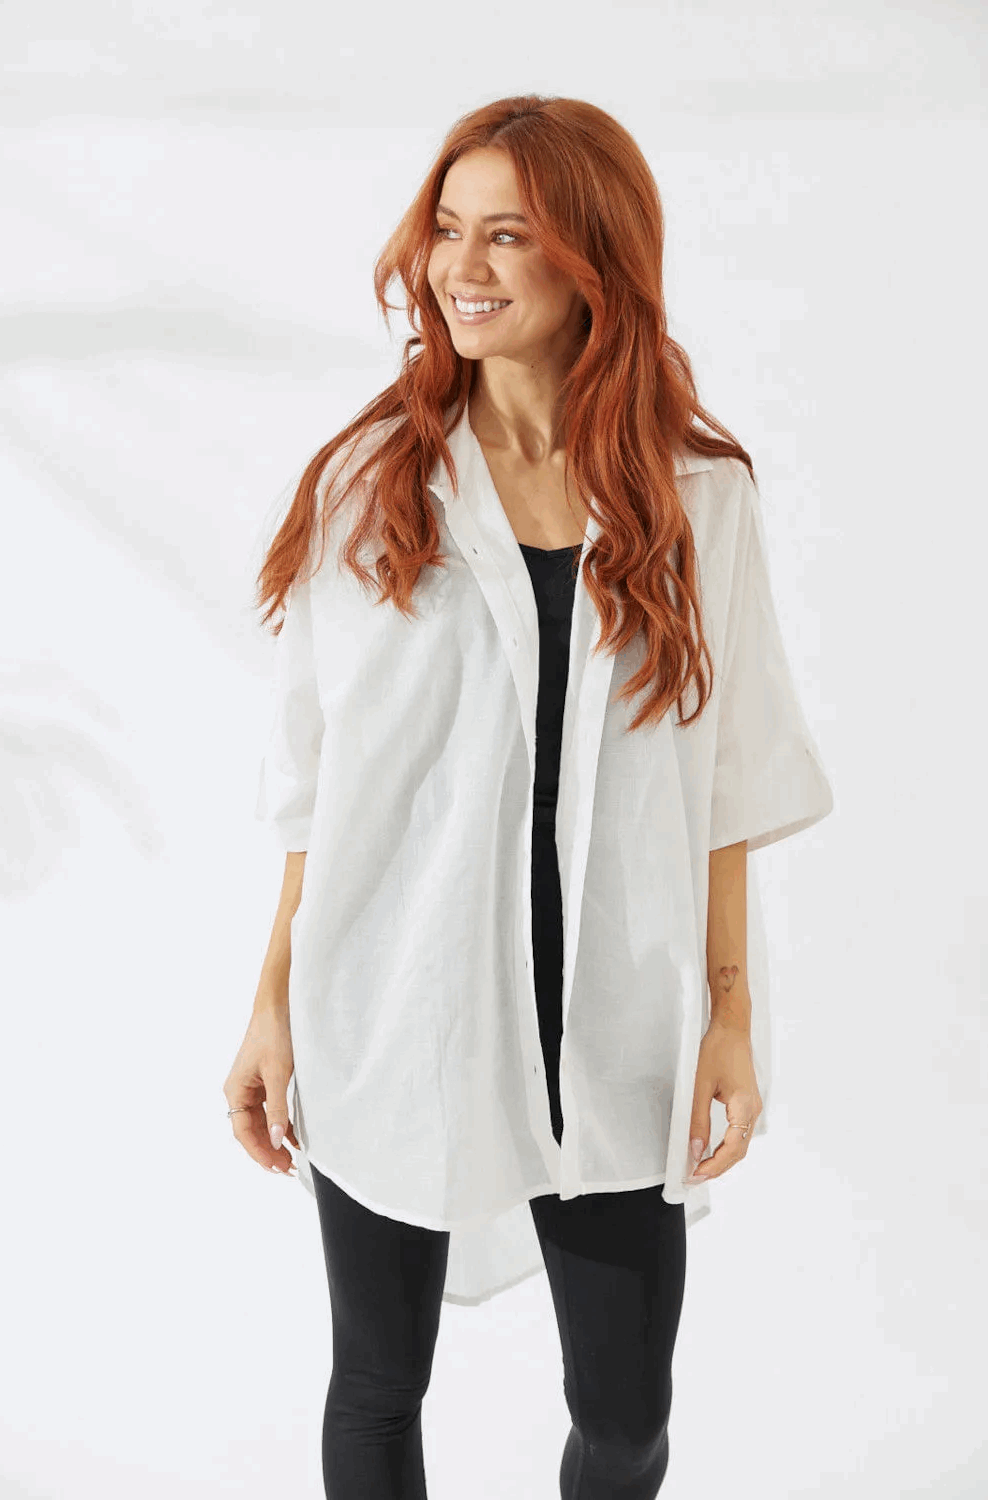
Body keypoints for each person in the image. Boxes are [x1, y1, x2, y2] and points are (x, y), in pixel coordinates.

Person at [223, 94, 834, 1500]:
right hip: (394, 1000)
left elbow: (729, 778)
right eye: (447, 228)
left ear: (592, 259)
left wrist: (730, 1016)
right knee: (378, 1384)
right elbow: (318, 786)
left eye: (508, 234)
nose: (461, 266)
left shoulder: (700, 497)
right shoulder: (370, 487)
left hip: (618, 1024)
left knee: (625, 1415)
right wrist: (271, 1005)